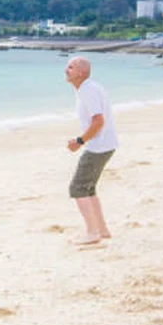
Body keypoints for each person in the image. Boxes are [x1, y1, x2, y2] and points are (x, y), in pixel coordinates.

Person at [64, 56, 118, 245]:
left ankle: (92, 232)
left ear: (82, 72)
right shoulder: (88, 88)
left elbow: (98, 120)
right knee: (88, 188)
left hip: (99, 146)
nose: (66, 70)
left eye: (70, 67)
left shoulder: (88, 90)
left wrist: (80, 140)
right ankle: (102, 230)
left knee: (77, 188)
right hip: (105, 144)